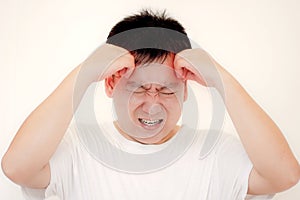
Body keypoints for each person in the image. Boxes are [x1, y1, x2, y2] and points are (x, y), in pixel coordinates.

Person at [2, 9, 300, 200]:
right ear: (110, 84)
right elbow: (17, 168)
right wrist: (83, 73)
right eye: (139, 88)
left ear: (186, 90)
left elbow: (284, 175)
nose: (153, 105)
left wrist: (222, 79)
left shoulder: (216, 152)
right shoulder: (78, 148)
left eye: (167, 90)